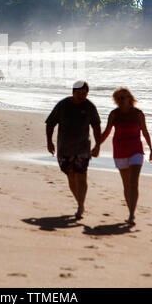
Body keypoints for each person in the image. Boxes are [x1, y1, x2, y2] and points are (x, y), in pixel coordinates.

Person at [45, 80, 101, 220]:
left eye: (85, 93)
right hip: (64, 148)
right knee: (71, 176)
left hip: (83, 148)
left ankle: (80, 205)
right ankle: (79, 202)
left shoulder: (89, 107)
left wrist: (98, 145)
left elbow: (96, 126)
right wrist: (49, 142)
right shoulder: (63, 105)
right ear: (73, 92)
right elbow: (50, 123)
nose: (82, 96)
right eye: (79, 93)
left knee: (81, 176)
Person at [100, 87, 152, 226]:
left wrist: (151, 150)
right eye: (119, 98)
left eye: (124, 97)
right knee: (126, 184)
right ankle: (130, 210)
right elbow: (106, 132)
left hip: (136, 150)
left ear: (130, 98)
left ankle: (131, 215)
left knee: (133, 182)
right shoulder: (114, 114)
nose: (122, 100)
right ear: (116, 100)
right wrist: (96, 146)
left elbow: (145, 132)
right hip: (119, 151)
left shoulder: (138, 114)